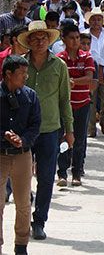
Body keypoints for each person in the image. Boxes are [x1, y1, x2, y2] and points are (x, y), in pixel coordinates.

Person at [19, 21, 74, 240]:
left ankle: (39, 220)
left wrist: (69, 130)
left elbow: (64, 100)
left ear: (48, 41)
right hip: (23, 130)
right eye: (35, 38)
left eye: (44, 38)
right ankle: (23, 217)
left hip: (50, 128)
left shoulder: (59, 66)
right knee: (21, 179)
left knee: (46, 177)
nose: (40, 42)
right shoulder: (20, 65)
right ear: (29, 42)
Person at [0, 55, 41, 255]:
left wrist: (23, 140)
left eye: (27, 73)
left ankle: (21, 244)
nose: (25, 77)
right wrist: (3, 135)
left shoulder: (31, 96)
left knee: (23, 202)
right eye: (21, 73)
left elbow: (35, 125)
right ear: (8, 74)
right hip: (0, 154)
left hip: (23, 155)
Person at [56, 24, 95, 187]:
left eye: (77, 38)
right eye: (71, 38)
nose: (75, 41)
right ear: (63, 39)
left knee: (79, 139)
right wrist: (70, 82)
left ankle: (77, 172)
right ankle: (62, 173)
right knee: (63, 137)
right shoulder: (59, 58)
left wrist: (71, 81)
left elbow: (89, 78)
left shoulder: (86, 57)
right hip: (64, 105)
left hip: (83, 104)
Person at [83, 7, 104, 137]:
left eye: (99, 19)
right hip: (90, 71)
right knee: (91, 100)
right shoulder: (84, 34)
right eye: (93, 20)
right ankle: (91, 129)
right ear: (89, 21)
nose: (96, 22)